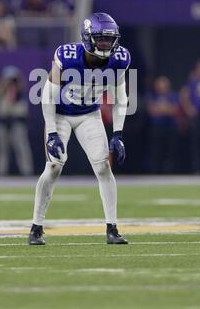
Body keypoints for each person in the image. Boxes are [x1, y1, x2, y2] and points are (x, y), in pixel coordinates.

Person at [29, 13, 131, 245]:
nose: (106, 44)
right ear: (87, 38)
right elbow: (47, 96)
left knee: (104, 168)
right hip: (60, 114)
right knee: (53, 167)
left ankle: (112, 228)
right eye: (101, 39)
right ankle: (36, 227)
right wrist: (52, 132)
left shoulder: (120, 59)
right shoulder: (68, 56)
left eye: (109, 39)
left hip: (89, 115)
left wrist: (118, 134)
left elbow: (121, 98)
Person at [0, 66, 34, 176]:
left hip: (17, 122)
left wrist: (16, 87)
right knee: (2, 150)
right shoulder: (0, 91)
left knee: (22, 147)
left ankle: (27, 171)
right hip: (3, 122)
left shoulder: (21, 91)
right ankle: (0, 173)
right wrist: (3, 85)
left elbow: (21, 107)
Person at [146, 76, 179, 174]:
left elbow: (174, 110)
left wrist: (161, 109)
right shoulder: (151, 96)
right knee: (156, 150)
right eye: (160, 85)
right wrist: (166, 109)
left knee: (171, 150)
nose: (162, 87)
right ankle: (156, 171)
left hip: (170, 127)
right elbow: (152, 111)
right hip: (157, 128)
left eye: (164, 85)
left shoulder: (173, 95)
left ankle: (171, 171)